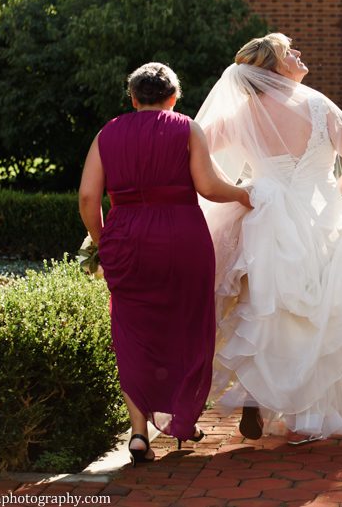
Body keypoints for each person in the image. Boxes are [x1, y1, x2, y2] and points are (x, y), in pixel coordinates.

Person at [197, 33, 342, 443]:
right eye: (290, 52)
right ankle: (311, 413)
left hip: (263, 214)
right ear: (273, 69)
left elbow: (193, 150)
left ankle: (254, 398)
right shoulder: (319, 106)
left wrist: (236, 188)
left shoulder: (240, 115)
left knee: (265, 310)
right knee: (323, 311)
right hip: (323, 215)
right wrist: (330, 196)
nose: (299, 53)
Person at [78, 62, 251, 466]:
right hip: (182, 238)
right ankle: (183, 419)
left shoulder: (107, 133)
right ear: (174, 97)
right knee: (190, 325)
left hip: (127, 238)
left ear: (133, 98)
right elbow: (208, 187)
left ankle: (139, 433)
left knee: (132, 333)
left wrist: (104, 240)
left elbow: (88, 198)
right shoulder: (186, 127)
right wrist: (243, 195)